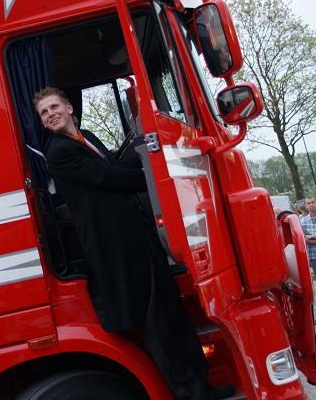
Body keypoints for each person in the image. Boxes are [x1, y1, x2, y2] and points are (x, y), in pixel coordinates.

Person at [34, 87, 225, 399]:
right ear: (43, 122)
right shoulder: (59, 151)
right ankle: (191, 393)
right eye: (44, 112)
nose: (50, 114)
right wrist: (154, 175)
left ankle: (203, 385)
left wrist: (148, 160)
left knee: (172, 310)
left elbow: (113, 167)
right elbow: (107, 178)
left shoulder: (87, 137)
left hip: (137, 235)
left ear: (68, 108)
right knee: (157, 322)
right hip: (118, 248)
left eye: (54, 107)